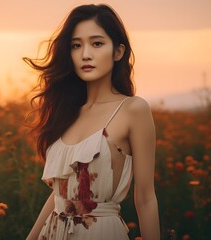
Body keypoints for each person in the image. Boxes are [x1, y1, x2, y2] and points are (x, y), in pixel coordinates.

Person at [24, 4, 160, 240]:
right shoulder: (67, 111)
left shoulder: (132, 110)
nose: (85, 54)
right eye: (76, 45)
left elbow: (146, 199)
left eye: (97, 43)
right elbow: (61, 195)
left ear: (118, 52)